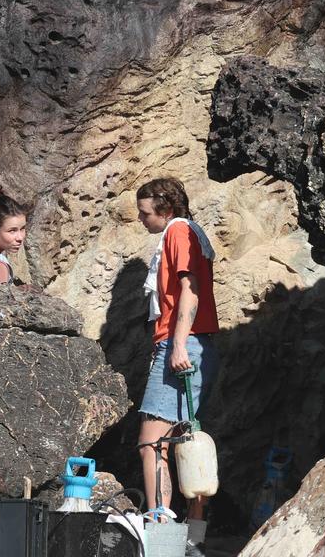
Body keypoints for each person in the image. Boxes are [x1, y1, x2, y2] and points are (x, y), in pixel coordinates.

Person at [135, 177, 219, 554]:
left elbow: (190, 287)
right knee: (188, 443)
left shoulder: (177, 232)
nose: (141, 220)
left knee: (153, 443)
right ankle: (194, 544)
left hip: (180, 342)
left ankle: (162, 541)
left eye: (145, 213)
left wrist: (179, 343)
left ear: (165, 210)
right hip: (196, 344)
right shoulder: (192, 232)